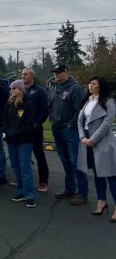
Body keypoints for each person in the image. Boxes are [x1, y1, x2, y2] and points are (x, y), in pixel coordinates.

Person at [77, 76, 116, 221]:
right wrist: (82, 137)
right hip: (86, 140)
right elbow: (80, 121)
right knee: (97, 174)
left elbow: (107, 124)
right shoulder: (88, 101)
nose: (90, 85)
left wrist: (93, 140)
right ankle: (101, 202)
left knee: (110, 175)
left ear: (101, 86)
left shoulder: (108, 102)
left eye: (93, 83)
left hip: (103, 142)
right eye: (89, 83)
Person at [48, 64, 88, 205]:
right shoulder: (54, 88)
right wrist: (51, 119)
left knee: (76, 161)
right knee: (65, 160)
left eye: (58, 72)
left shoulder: (75, 88)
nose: (56, 75)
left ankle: (82, 193)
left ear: (66, 72)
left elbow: (80, 110)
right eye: (54, 73)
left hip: (69, 129)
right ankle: (70, 188)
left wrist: (71, 124)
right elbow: (50, 105)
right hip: (56, 128)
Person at [2, 80, 36, 208]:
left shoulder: (28, 104)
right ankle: (21, 191)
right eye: (11, 88)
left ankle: (29, 195)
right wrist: (6, 132)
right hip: (11, 140)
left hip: (24, 140)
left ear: (21, 90)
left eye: (15, 88)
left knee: (25, 167)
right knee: (15, 166)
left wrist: (16, 133)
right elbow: (4, 119)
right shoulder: (9, 104)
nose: (12, 91)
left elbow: (29, 123)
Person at [22, 67, 50, 192]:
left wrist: (37, 123)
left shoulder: (39, 91)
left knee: (39, 154)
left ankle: (43, 181)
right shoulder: (21, 90)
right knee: (23, 155)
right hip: (23, 129)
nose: (23, 76)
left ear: (32, 76)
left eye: (26, 74)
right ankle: (23, 179)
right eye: (22, 74)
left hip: (35, 129)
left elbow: (44, 110)